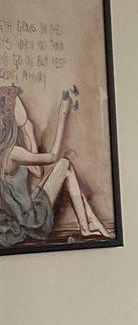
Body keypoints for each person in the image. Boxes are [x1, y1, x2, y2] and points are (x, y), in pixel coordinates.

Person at [0, 83, 110, 247]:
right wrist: (63, 114)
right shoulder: (13, 152)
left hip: (21, 218)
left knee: (66, 169)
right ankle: (87, 225)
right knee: (65, 164)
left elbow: (37, 172)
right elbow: (52, 157)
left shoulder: (6, 152)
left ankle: (90, 222)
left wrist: (28, 130)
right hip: (31, 222)